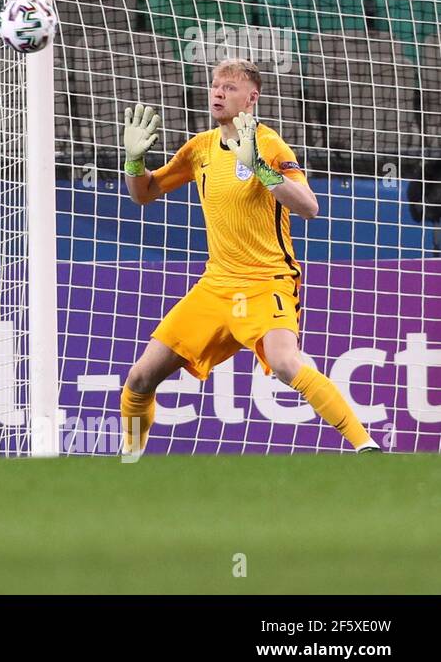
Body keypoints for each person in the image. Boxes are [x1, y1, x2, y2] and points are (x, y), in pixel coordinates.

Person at [120, 57, 378, 455]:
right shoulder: (200, 148)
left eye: (230, 87)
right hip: (215, 286)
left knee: (286, 362)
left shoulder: (269, 145)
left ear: (251, 98)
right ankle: (128, 459)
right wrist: (135, 162)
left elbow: (309, 207)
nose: (219, 93)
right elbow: (143, 194)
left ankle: (366, 447)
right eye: (215, 85)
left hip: (267, 281)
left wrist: (260, 168)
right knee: (140, 377)